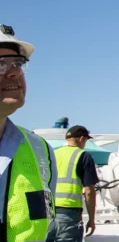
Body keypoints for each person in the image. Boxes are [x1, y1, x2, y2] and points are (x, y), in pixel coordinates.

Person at [0, 24, 58, 242]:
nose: (14, 72)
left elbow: (45, 227)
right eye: (0, 64)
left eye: (17, 63)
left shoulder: (39, 148)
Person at [53, 125, 98, 241]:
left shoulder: (53, 154)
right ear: (82, 138)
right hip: (69, 211)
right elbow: (89, 191)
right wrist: (91, 219)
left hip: (48, 211)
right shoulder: (83, 156)